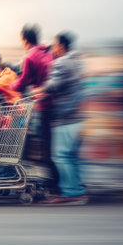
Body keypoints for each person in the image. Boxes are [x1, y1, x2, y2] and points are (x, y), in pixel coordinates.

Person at [34, 32, 88, 205]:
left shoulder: (62, 62)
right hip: (78, 117)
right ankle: (78, 190)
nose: (53, 49)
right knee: (72, 156)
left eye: (55, 45)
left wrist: (38, 92)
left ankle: (71, 192)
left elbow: (53, 85)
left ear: (61, 46)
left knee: (61, 156)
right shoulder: (78, 62)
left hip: (65, 118)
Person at [11, 24, 59, 195]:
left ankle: (54, 186)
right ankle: (54, 182)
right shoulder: (48, 51)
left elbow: (22, 81)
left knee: (44, 147)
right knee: (51, 146)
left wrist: (11, 84)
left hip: (43, 105)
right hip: (57, 104)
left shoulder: (29, 57)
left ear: (24, 39)